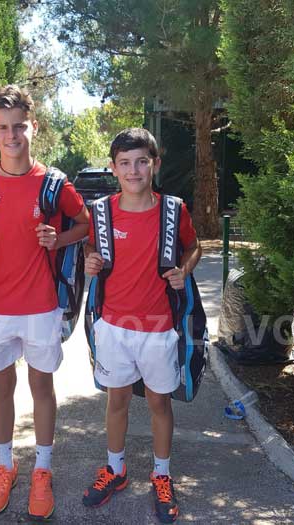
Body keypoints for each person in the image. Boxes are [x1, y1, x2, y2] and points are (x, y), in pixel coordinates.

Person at [0, 85, 89, 520]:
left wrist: (60, 238)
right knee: (1, 387)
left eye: (19, 126)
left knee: (42, 387)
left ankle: (42, 469)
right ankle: (5, 466)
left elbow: (86, 224)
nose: (12, 135)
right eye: (3, 127)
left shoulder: (54, 183)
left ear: (33, 126)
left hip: (42, 306)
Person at [82, 127, 201, 523]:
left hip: (159, 327)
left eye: (141, 162)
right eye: (125, 163)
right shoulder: (101, 211)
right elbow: (91, 246)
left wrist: (185, 269)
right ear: (114, 168)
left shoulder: (173, 210)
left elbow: (193, 246)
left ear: (155, 164)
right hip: (113, 326)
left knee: (159, 403)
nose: (133, 170)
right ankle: (115, 469)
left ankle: (161, 474)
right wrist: (90, 258)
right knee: (116, 400)